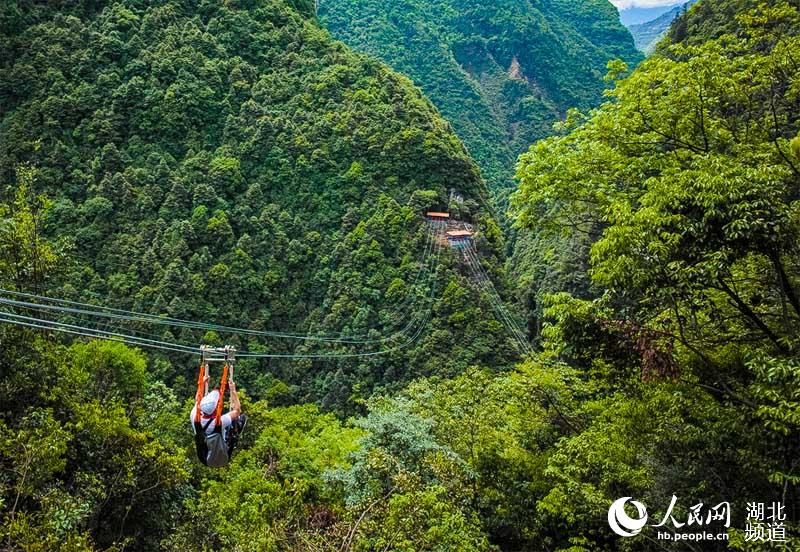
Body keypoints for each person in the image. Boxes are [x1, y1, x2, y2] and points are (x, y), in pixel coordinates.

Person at [190, 375, 246, 466]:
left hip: (204, 458)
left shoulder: (194, 416)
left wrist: (202, 384)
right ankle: (235, 430)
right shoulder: (219, 422)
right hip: (223, 456)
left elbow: (197, 399)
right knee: (239, 419)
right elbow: (237, 411)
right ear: (216, 409)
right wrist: (233, 390)